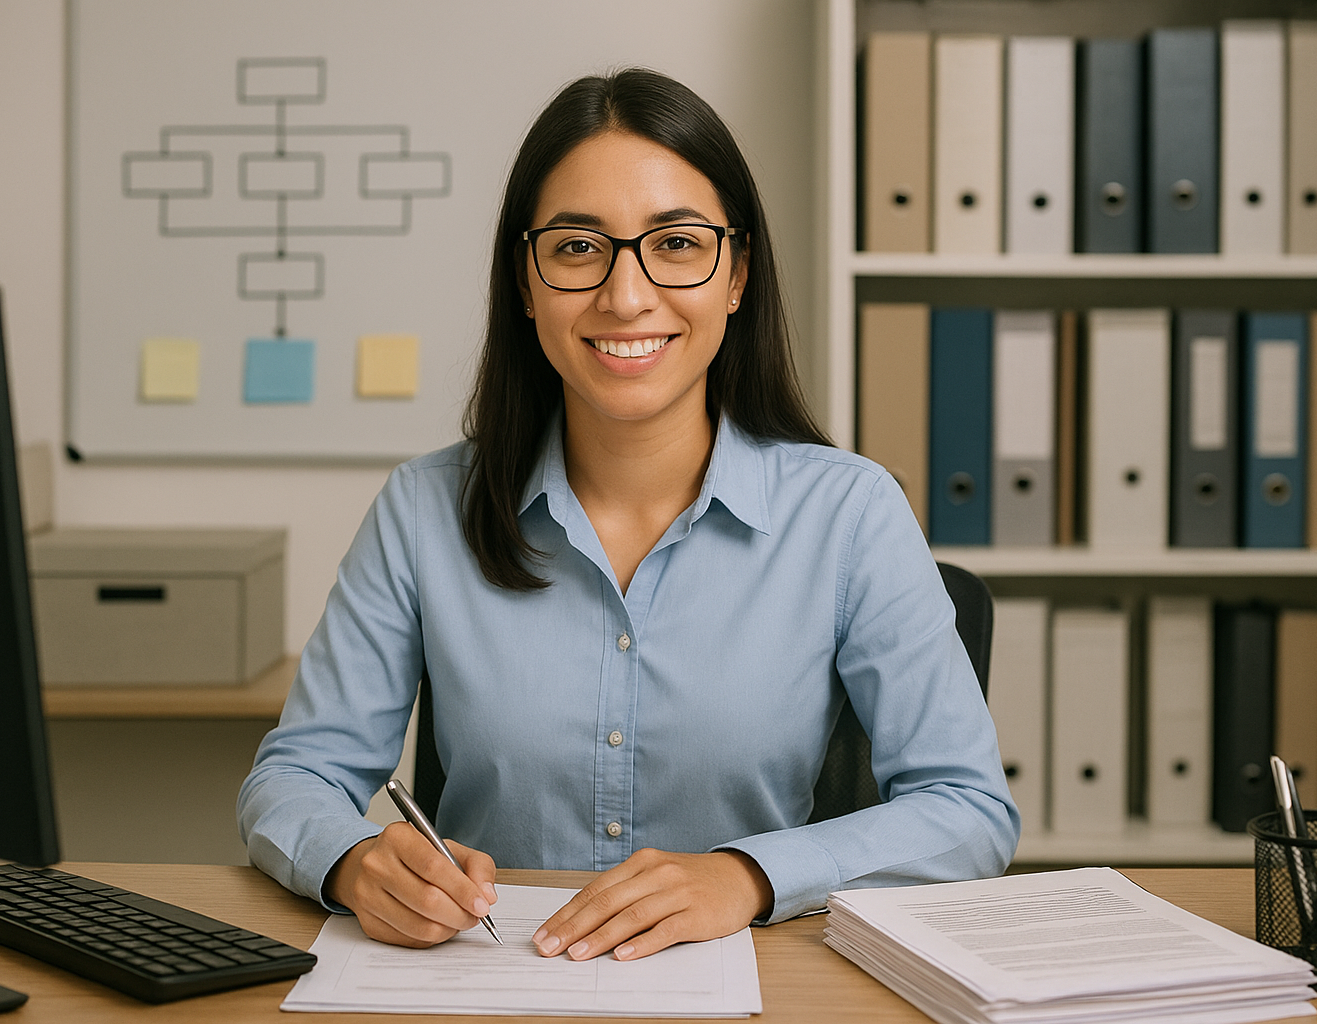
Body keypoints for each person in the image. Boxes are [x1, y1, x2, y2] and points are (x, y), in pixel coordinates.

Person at [238, 67, 1018, 964]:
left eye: (677, 243)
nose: (625, 295)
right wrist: (353, 860)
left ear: (737, 274)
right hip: (494, 982)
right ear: (526, 281)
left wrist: (749, 876)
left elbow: (968, 811)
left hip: (755, 989)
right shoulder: (425, 510)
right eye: (578, 248)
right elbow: (295, 777)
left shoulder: (850, 513)